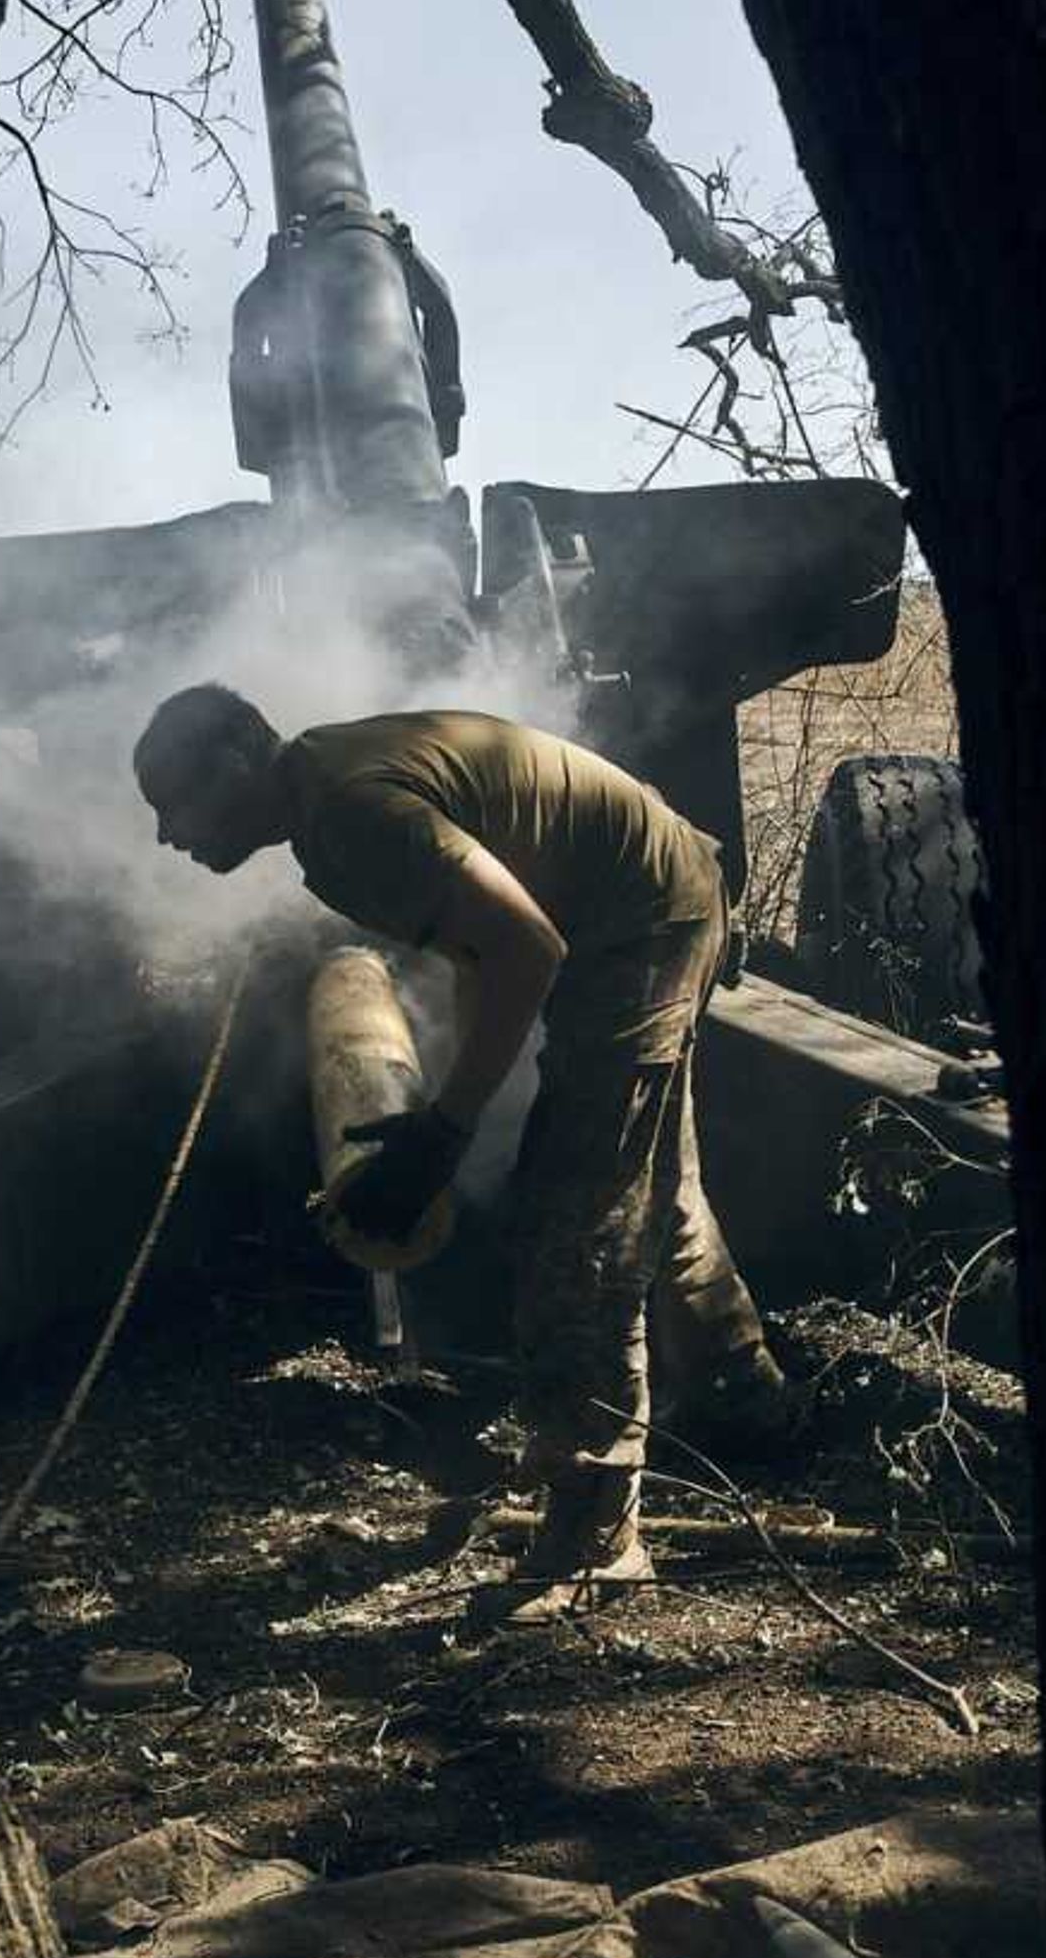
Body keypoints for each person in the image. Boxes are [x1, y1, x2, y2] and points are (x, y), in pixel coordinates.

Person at [131, 683, 797, 1624]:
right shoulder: (323, 790)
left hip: (640, 924)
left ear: (240, 756)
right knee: (641, 1175)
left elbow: (526, 945)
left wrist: (445, 1131)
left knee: (576, 1221)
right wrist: (446, 1109)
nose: (167, 834)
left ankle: (599, 1535)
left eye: (174, 802)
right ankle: (741, 1390)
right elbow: (486, 951)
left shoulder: (350, 812)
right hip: (659, 890)